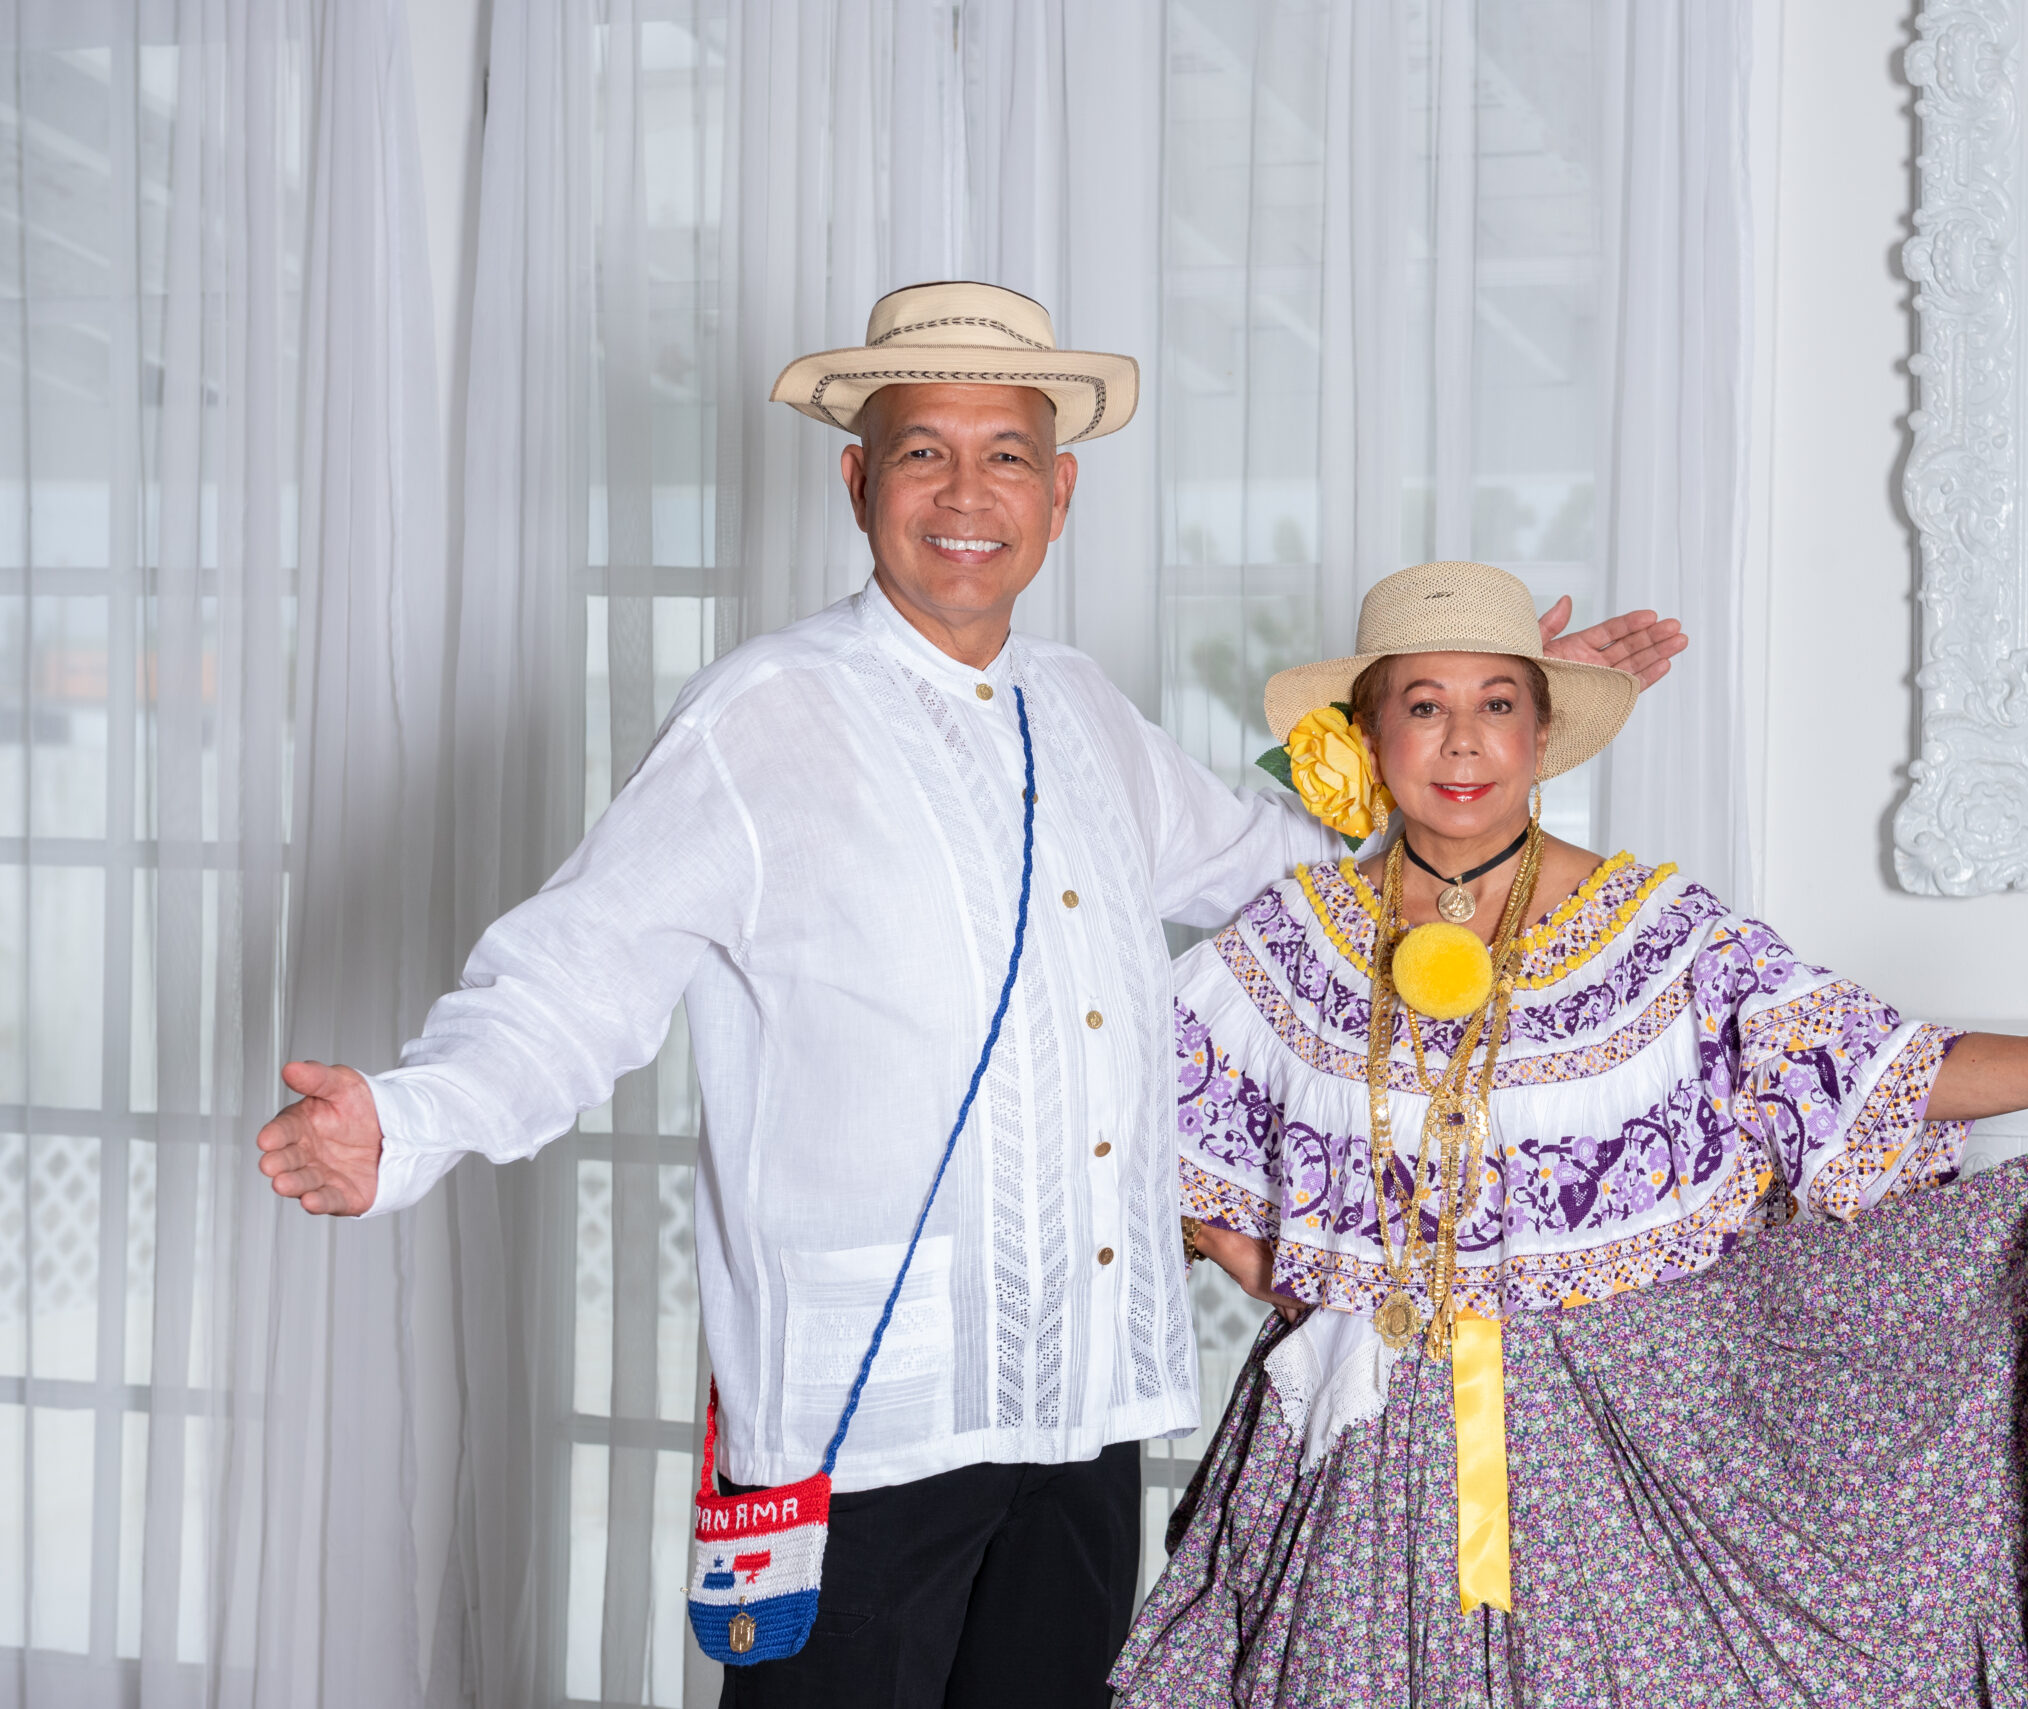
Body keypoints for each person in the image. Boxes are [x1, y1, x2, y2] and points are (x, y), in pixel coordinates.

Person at [249, 284, 1688, 1709]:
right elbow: (578, 972)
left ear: (1058, 497)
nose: (966, 492)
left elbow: (1309, 885)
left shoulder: (1083, 709)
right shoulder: (762, 713)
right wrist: (408, 1122)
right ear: (858, 479)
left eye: (1005, 455)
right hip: (862, 1425)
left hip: (1086, 1406)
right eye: (924, 451)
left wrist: (1470, 723)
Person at [1114, 559, 2028, 1704]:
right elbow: (1115, 1101)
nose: (1462, 742)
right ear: (1366, 735)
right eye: (1423, 705)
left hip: (1602, 1454)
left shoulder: (1661, 937)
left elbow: (1876, 1070)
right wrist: (1261, 1252)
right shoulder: (1293, 938)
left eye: (1496, 703)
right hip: (1356, 1452)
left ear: (1544, 730)